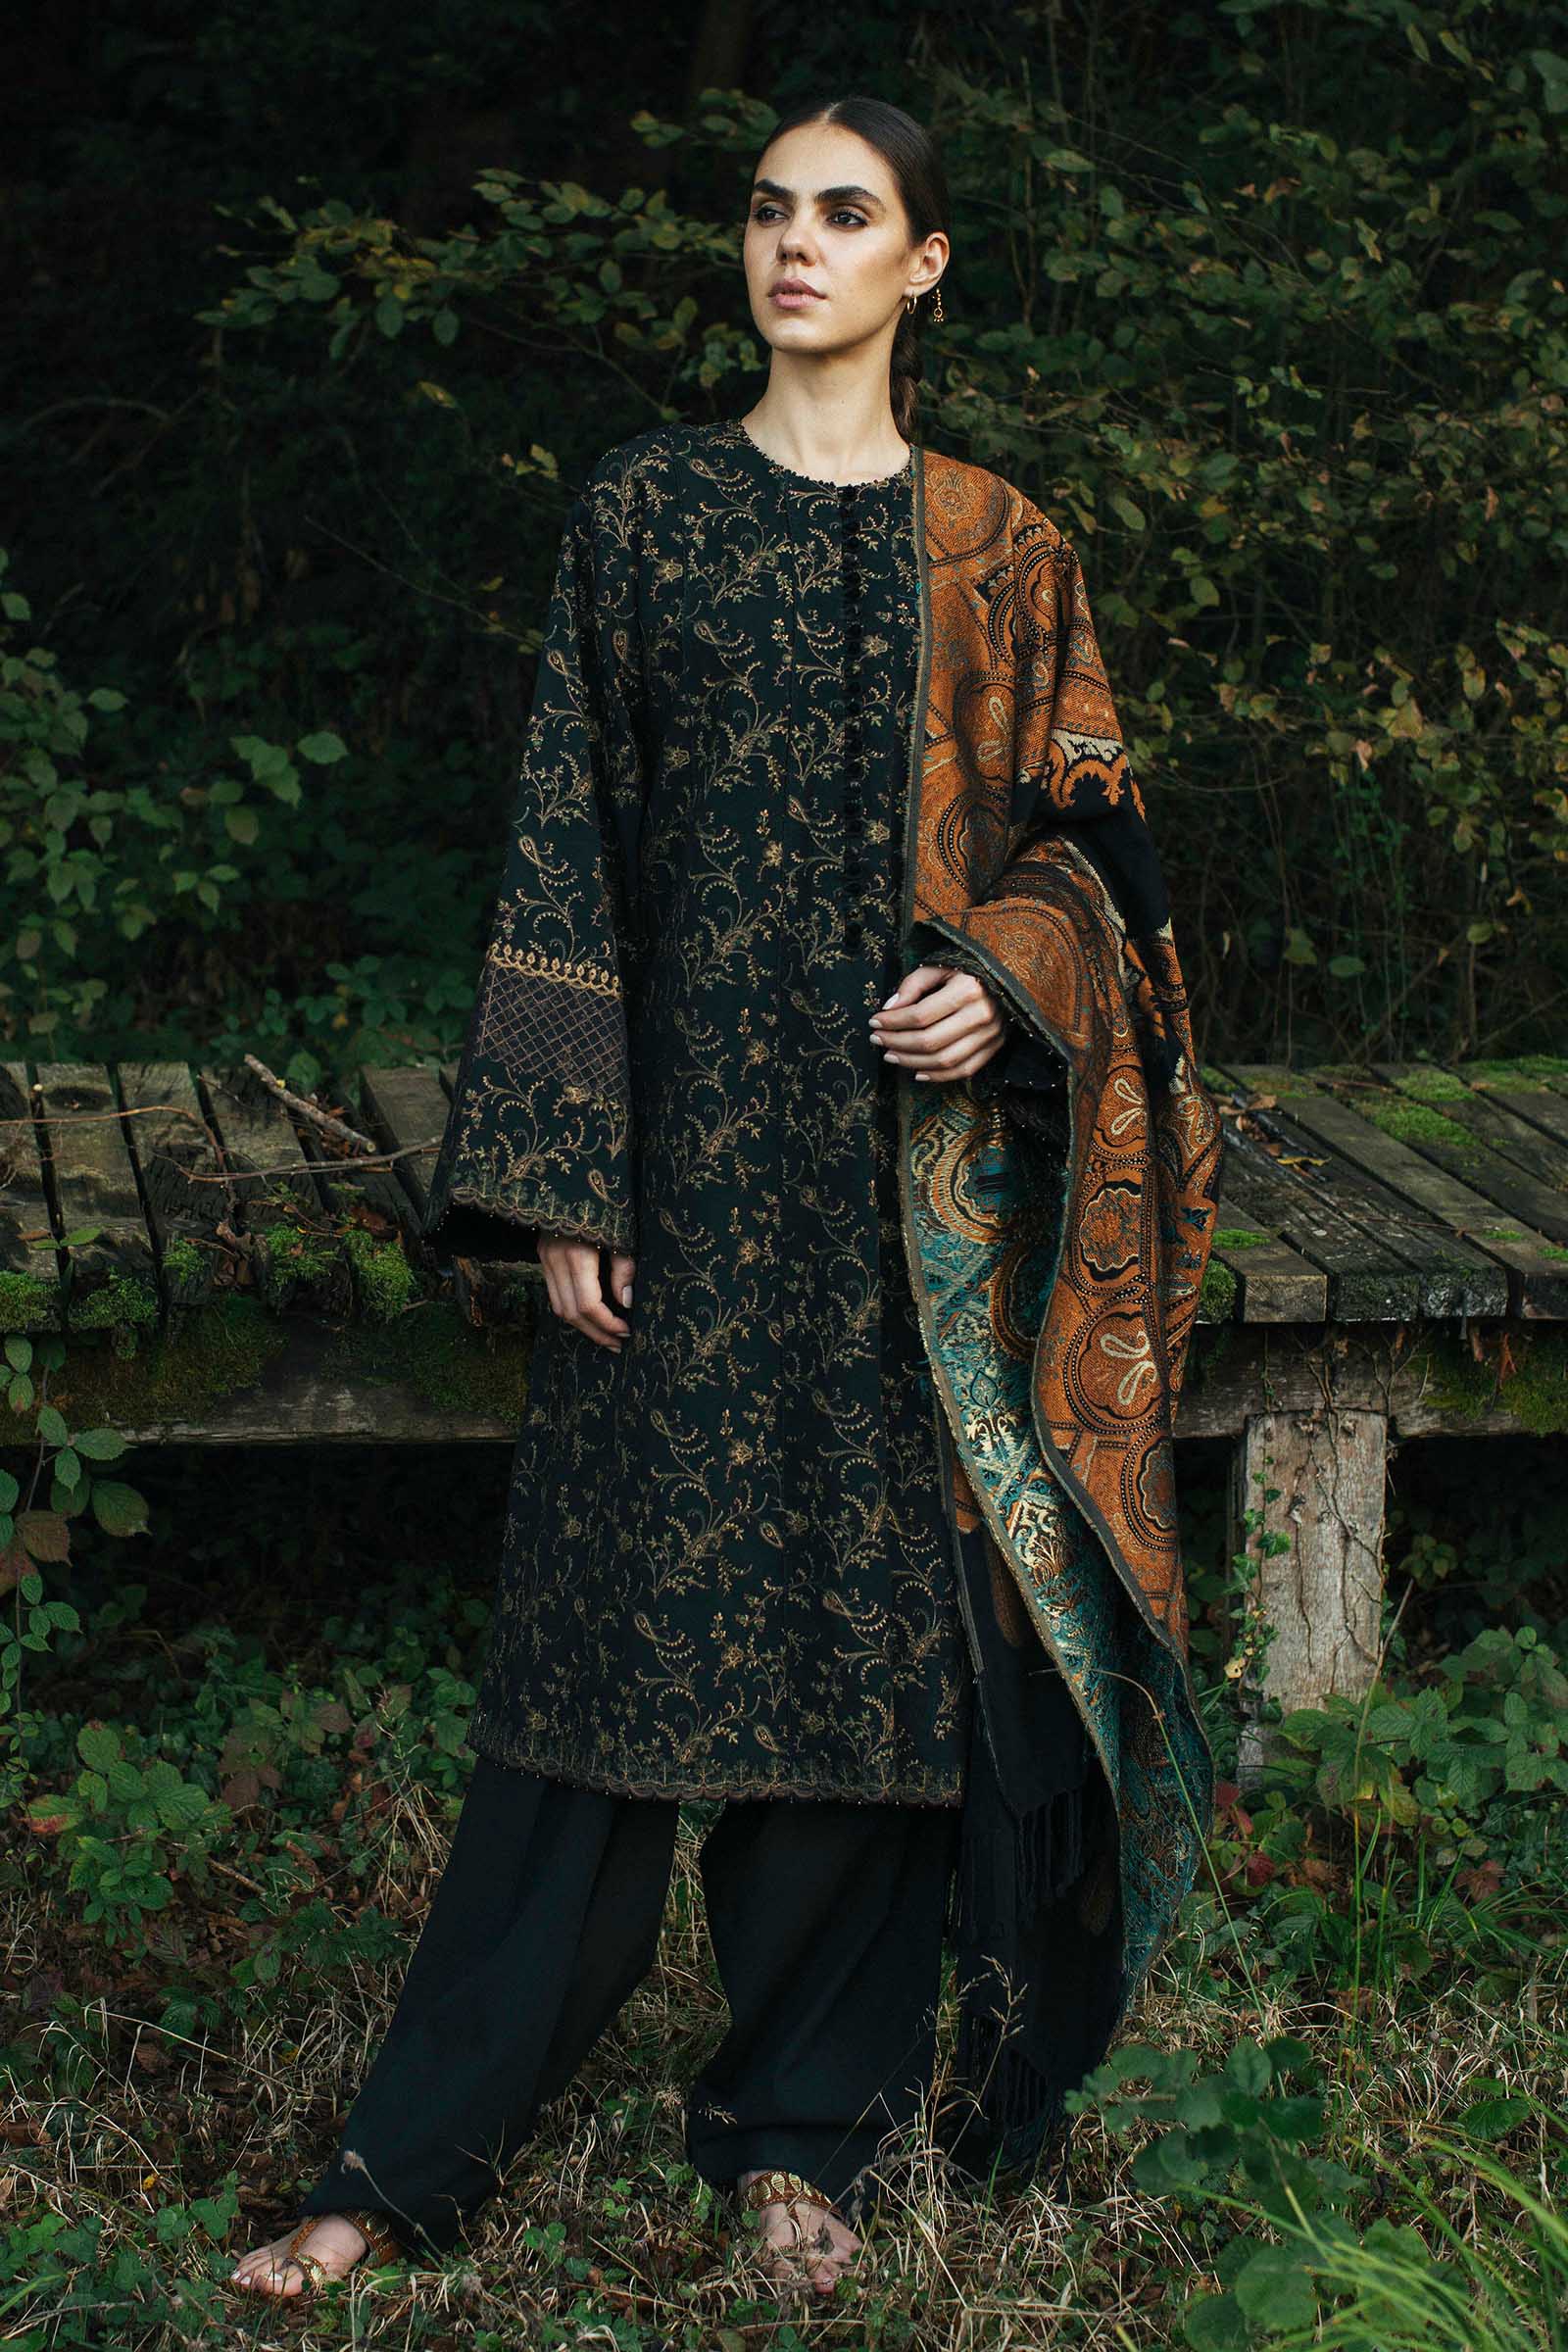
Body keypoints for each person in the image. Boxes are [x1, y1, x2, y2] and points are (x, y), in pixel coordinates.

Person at [230, 89, 1220, 2311]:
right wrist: (562, 1173)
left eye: (845, 215)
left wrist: (1004, 974)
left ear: (922, 265)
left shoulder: (1000, 548)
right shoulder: (646, 512)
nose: (795, 245)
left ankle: (798, 2143)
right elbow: (563, 839)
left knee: (866, 1689)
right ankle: (400, 2166)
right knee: (594, 1674)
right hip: (678, 1185)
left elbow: (1097, 846)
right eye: (770, 211)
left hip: (903, 1215)